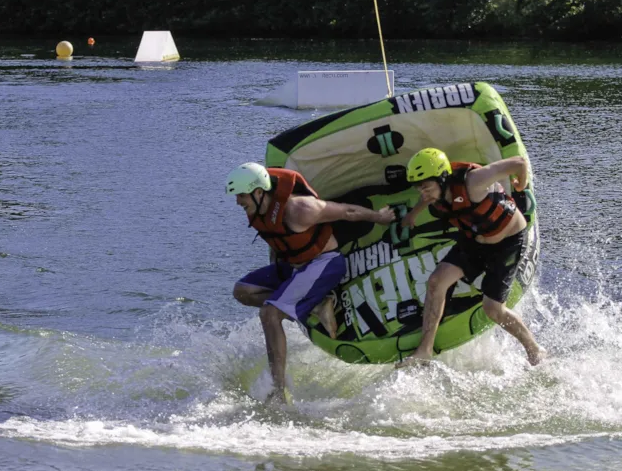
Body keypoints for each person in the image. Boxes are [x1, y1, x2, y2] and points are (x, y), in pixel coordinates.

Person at [227, 162, 395, 404]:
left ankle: (277, 390)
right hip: (294, 267)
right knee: (242, 291)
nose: (238, 202)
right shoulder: (259, 212)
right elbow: (278, 241)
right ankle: (317, 303)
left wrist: (379, 217)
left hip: (325, 264)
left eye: (242, 196)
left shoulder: (299, 209)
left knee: (270, 314)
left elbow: (346, 211)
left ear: (258, 192)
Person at [398, 148, 545, 367]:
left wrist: (520, 185)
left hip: (509, 242)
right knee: (436, 282)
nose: (423, 194)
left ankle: (534, 349)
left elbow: (519, 162)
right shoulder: (437, 191)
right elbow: (430, 197)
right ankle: (425, 350)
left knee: (493, 309)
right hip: (475, 240)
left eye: (426, 187)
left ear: (442, 178)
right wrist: (413, 214)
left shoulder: (474, 181)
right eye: (419, 188)